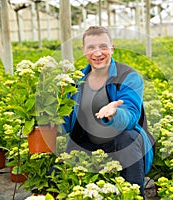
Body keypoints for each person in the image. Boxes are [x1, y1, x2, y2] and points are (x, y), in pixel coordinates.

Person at [62, 26, 154, 196]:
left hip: (120, 141)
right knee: (58, 174)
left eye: (103, 47)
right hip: (86, 143)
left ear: (112, 48)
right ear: (83, 51)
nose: (98, 53)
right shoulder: (75, 81)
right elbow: (65, 119)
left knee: (129, 139)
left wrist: (115, 113)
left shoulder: (128, 76)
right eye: (91, 48)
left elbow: (132, 114)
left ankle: (133, 195)